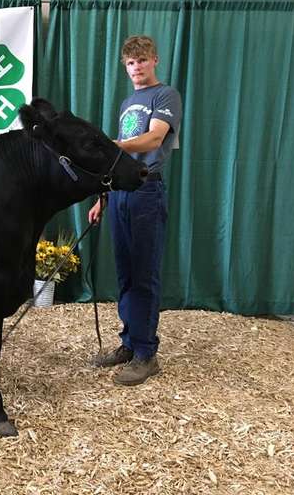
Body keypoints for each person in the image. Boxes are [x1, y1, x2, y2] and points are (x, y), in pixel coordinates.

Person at [88, 35, 182, 386]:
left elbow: (154, 139)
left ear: (154, 60)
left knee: (144, 272)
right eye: (130, 62)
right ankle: (128, 343)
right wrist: (103, 197)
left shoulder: (165, 95)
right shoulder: (129, 101)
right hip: (122, 192)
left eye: (142, 60)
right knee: (125, 272)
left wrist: (110, 145)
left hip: (146, 190)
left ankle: (146, 353)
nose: (136, 67)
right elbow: (121, 160)